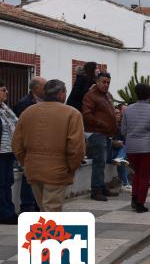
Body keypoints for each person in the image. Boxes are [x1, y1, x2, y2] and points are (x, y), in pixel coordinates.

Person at [12, 80, 86, 212]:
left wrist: (26, 162)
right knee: (52, 210)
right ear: (62, 94)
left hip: (33, 168)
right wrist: (71, 167)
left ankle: (42, 232)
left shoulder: (28, 112)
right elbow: (76, 147)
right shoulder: (72, 113)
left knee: (43, 208)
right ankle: (48, 233)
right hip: (58, 170)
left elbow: (17, 143)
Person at [121, 83, 150, 213]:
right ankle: (140, 202)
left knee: (136, 174)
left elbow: (123, 129)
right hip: (148, 147)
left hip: (132, 147)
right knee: (145, 175)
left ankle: (134, 198)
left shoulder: (128, 109)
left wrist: (129, 139)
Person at [82, 72, 119, 201]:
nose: (106, 85)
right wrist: (102, 124)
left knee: (103, 162)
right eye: (104, 82)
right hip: (96, 133)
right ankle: (96, 190)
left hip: (106, 133)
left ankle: (102, 186)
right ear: (97, 82)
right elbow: (87, 115)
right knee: (99, 163)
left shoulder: (107, 96)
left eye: (108, 82)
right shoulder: (91, 96)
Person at [13, 76, 46, 213]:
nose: (47, 89)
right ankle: (27, 207)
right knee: (29, 178)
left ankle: (37, 205)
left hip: (42, 146)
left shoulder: (44, 102)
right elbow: (22, 127)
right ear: (36, 88)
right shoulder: (25, 103)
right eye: (44, 87)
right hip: (30, 147)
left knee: (39, 178)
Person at [0, 80, 18, 224]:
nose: (7, 92)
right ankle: (5, 214)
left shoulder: (5, 109)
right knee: (2, 183)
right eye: (3, 90)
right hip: (1, 153)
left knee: (8, 182)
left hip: (8, 152)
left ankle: (9, 211)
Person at [110, 105, 130, 191]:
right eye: (116, 113)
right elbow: (108, 141)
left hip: (119, 150)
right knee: (122, 158)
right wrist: (116, 143)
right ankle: (126, 184)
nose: (118, 115)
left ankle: (125, 183)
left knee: (122, 159)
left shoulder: (121, 126)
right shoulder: (109, 126)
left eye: (119, 113)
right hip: (110, 151)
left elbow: (126, 140)